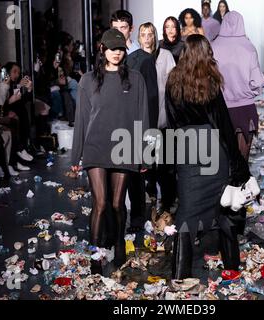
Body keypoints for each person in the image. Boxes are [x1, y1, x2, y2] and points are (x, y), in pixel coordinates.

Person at [165, 34, 251, 279]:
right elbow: (223, 124)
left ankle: (179, 277)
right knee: (223, 213)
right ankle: (232, 268)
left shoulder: (173, 81)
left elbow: (171, 123)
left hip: (187, 150)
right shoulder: (210, 82)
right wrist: (238, 166)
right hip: (213, 150)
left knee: (185, 214)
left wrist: (173, 163)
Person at [71, 29, 150, 271]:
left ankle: (117, 248)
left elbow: (143, 117)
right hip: (95, 147)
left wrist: (145, 152)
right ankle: (95, 260)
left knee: (117, 205)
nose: (116, 53)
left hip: (124, 147)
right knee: (101, 203)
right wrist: (76, 155)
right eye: (112, 48)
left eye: (120, 49)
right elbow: (82, 119)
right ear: (102, 49)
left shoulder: (135, 79)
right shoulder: (88, 80)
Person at [111, 10, 159, 232]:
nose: (119, 32)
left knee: (135, 177)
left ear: (131, 29)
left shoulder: (144, 58)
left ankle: (137, 222)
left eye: (123, 28)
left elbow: (151, 97)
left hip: (136, 126)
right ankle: (116, 222)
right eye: (115, 28)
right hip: (112, 123)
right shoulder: (107, 55)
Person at [212, 11, 264, 161]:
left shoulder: (213, 47)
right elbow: (256, 82)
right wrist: (260, 84)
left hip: (221, 108)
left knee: (223, 160)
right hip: (245, 108)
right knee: (242, 161)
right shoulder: (248, 47)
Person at [138, 22, 177, 213]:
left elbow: (173, 84)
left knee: (166, 165)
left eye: (149, 33)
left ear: (155, 36)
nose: (146, 37)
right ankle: (151, 198)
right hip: (145, 119)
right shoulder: (135, 59)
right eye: (143, 34)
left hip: (163, 117)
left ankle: (168, 202)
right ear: (139, 38)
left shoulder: (166, 56)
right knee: (149, 164)